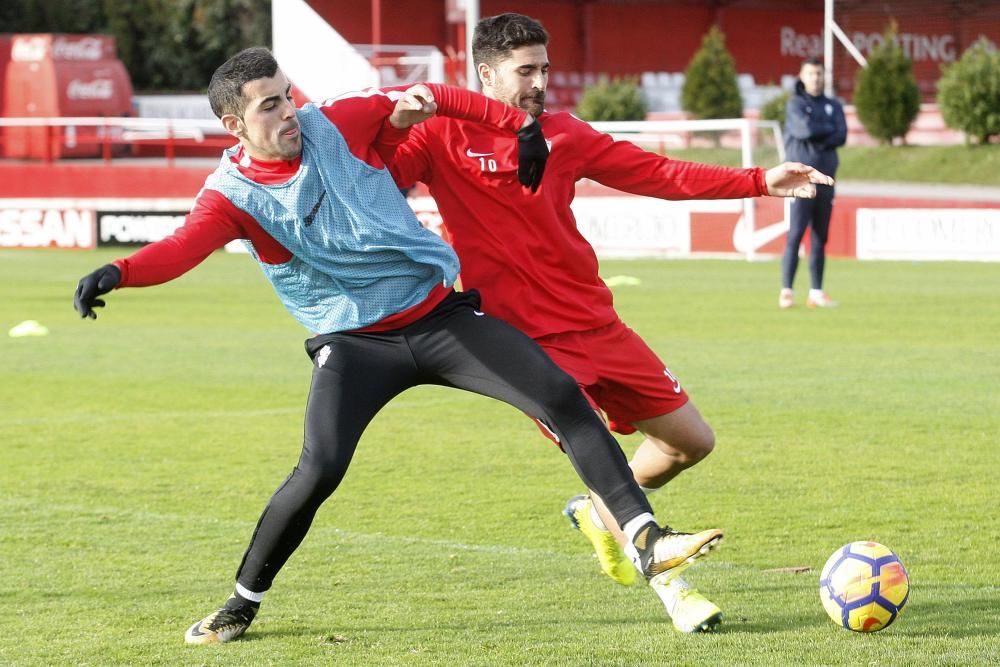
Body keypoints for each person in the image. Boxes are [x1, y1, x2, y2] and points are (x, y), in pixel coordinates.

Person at [72, 47, 725, 645]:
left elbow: (433, 93)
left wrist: (515, 124)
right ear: (233, 124)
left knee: (558, 392)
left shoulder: (340, 122)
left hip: (439, 318)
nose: (289, 112)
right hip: (354, 345)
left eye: (288, 95)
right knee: (319, 468)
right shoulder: (231, 196)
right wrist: (120, 273)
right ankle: (241, 602)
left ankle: (645, 538)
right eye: (269, 105)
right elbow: (183, 248)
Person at [378, 13, 833, 633]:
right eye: (525, 71)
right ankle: (674, 589)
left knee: (689, 443)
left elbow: (659, 173)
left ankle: (599, 514)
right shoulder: (439, 138)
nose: (539, 81)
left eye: (544, 68)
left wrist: (757, 181)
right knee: (600, 453)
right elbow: (375, 176)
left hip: (595, 320)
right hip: (519, 341)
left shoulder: (564, 134)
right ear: (484, 75)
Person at [780, 57, 847, 309]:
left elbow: (842, 135)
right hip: (799, 181)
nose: (815, 78)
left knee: (820, 237)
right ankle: (786, 291)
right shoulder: (795, 104)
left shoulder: (833, 105)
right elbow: (804, 131)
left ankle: (816, 292)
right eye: (811, 73)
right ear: (802, 76)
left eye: (819, 73)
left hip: (827, 179)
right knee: (795, 234)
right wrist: (827, 130)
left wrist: (822, 130)